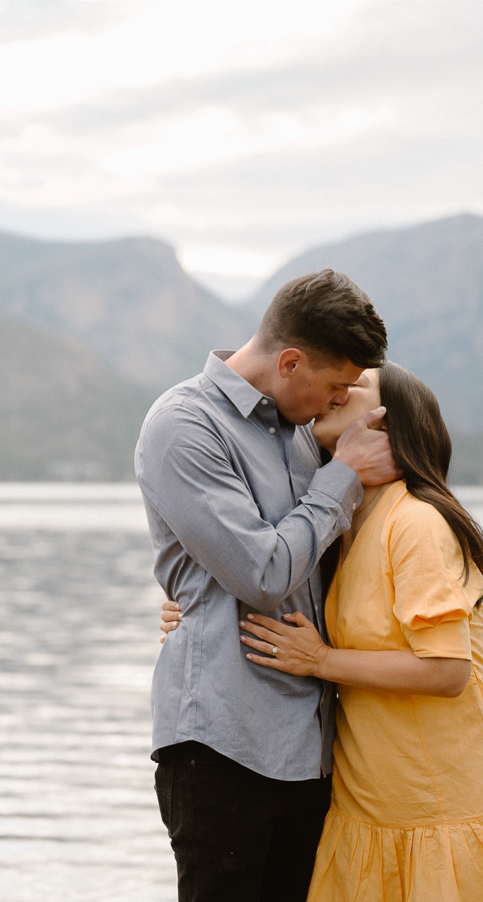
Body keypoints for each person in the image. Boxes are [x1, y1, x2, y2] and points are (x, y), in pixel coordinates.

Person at [164, 364, 483, 901]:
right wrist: (190, 610)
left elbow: (447, 670)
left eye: (354, 388)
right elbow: (263, 566)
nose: (335, 393)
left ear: (386, 425)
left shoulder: (416, 521)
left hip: (441, 800)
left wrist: (320, 660)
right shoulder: (341, 521)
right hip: (372, 805)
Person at [135, 269, 399, 902]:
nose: (341, 401)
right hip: (224, 745)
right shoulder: (185, 425)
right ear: (290, 362)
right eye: (336, 385)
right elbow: (263, 574)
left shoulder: (306, 434)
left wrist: (457, 656)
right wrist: (342, 478)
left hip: (314, 748)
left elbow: (339, 574)